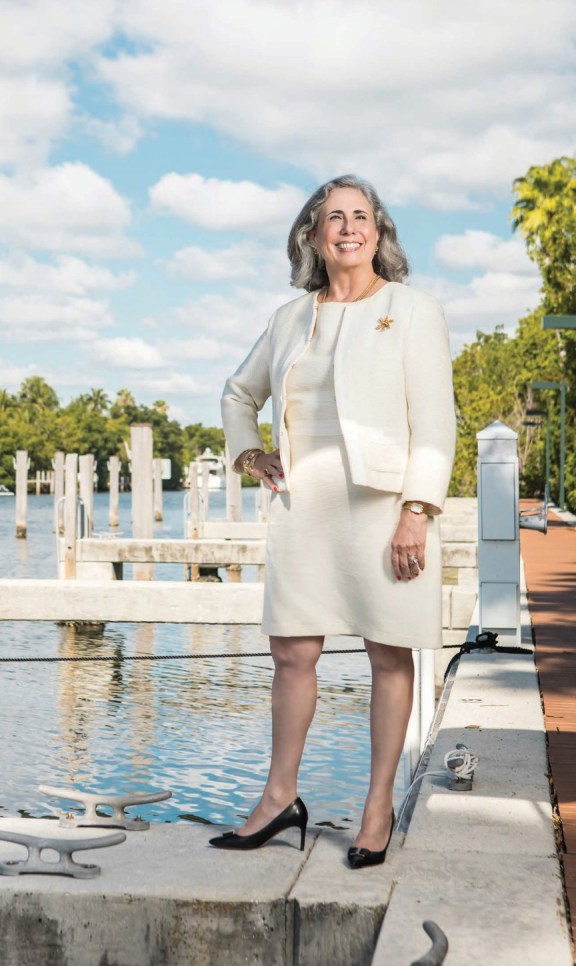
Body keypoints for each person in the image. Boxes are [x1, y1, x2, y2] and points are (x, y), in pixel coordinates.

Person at [210, 174, 456, 867]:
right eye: (332, 218)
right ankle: (277, 797)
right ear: (312, 236)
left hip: (386, 510)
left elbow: (437, 422)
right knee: (291, 652)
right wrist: (249, 453)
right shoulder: (290, 318)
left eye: (361, 216)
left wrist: (417, 511)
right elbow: (238, 392)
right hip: (302, 505)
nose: (348, 228)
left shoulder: (413, 310)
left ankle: (376, 806)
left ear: (378, 231)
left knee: (388, 651)